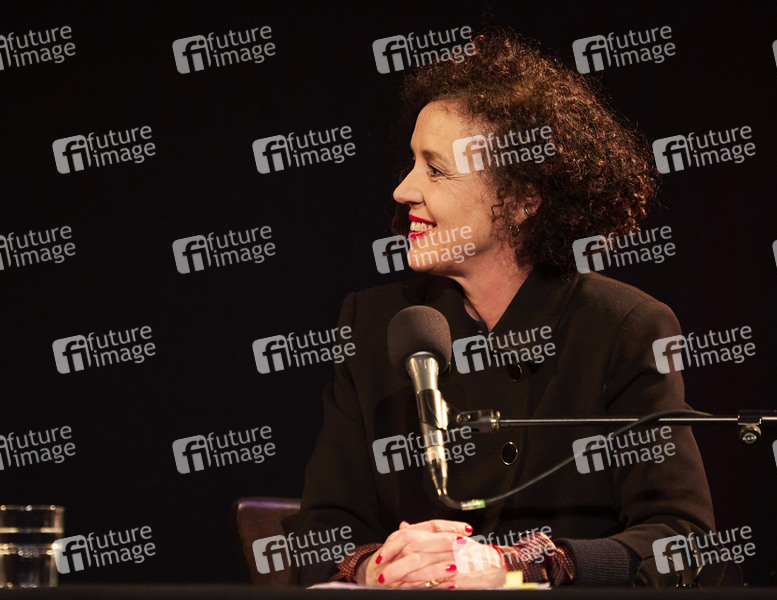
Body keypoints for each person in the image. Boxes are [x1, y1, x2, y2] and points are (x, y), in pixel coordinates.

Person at [283, 31, 714, 588]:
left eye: (435, 170)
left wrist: (520, 566)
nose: (403, 190)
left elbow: (682, 538)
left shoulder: (621, 328)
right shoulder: (373, 322)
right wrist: (379, 567)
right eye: (412, 162)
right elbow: (320, 528)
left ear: (521, 199)